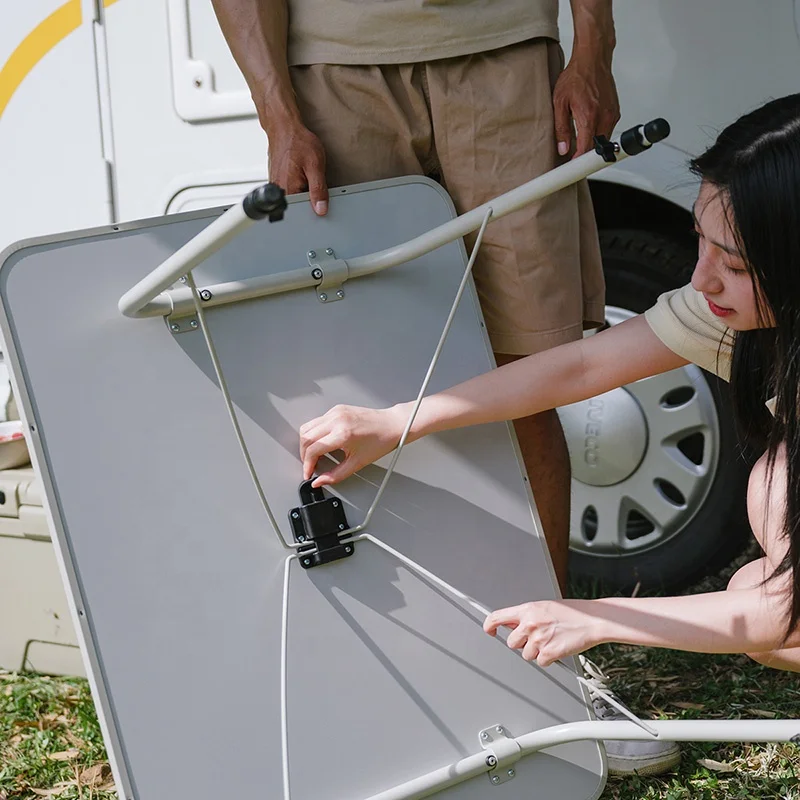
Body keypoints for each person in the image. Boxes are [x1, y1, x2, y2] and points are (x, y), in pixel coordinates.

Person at [211, 0, 681, 776]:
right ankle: (404, 677)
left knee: (525, 373)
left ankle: (551, 677)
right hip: (332, 62)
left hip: (505, 49)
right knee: (369, 381)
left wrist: (593, 44)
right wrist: (275, 107)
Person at [299, 94, 800, 714]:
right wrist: (400, 420)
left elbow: (788, 617)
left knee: (774, 512)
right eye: (702, 241)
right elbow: (581, 365)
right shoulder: (733, 314)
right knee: (755, 579)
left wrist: (593, 617)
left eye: (737, 264)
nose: (702, 279)